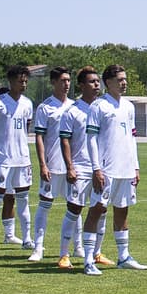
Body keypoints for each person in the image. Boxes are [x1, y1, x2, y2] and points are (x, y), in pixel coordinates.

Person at [81, 64, 146, 274]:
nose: (124, 83)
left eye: (125, 79)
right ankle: (88, 260)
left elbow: (132, 138)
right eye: (120, 80)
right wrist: (96, 169)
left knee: (122, 209)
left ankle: (123, 256)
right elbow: (91, 139)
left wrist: (135, 166)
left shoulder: (129, 107)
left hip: (125, 168)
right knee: (97, 210)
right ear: (108, 83)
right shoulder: (99, 106)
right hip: (106, 169)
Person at [0, 65, 35, 255]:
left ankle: (27, 239)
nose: (24, 84)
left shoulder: (27, 104)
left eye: (26, 81)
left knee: (23, 200)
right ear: (11, 81)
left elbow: (25, 128)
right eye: (20, 81)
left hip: (22, 160)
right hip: (3, 160)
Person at [57, 66, 100, 269]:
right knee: (74, 209)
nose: (96, 85)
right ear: (81, 85)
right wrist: (70, 167)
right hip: (80, 167)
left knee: (100, 210)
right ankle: (64, 254)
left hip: (100, 168)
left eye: (98, 81)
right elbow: (64, 140)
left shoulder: (102, 109)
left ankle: (96, 253)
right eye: (92, 82)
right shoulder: (72, 111)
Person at [28, 67, 72, 263]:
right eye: (63, 80)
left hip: (71, 167)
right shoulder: (45, 107)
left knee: (75, 206)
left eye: (68, 80)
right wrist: (43, 165)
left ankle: (78, 246)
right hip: (52, 165)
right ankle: (38, 248)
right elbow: (39, 137)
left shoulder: (74, 106)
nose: (66, 84)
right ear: (53, 82)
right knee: (45, 205)